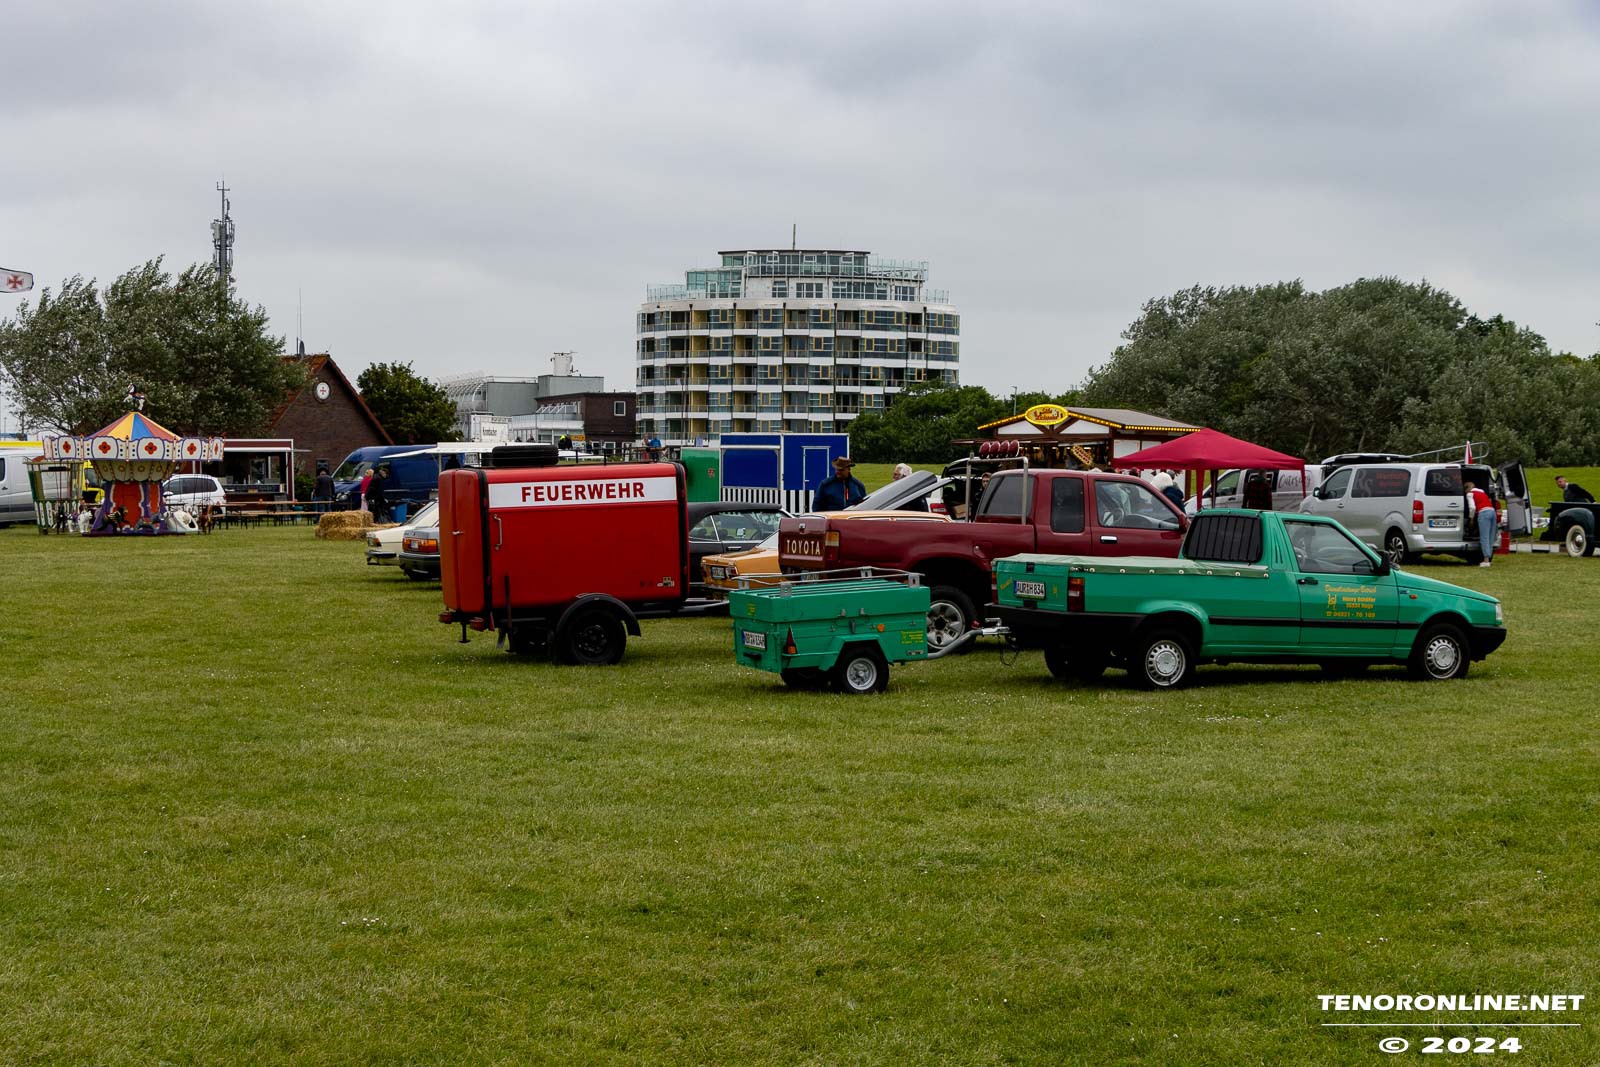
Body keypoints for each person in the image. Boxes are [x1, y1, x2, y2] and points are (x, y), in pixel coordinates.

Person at [1463, 478, 1496, 568]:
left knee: (1484, 537)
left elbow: (1472, 507)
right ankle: (1489, 558)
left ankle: (1486, 560)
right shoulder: (1482, 492)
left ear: (1467, 489)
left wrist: (1471, 519)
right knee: (1491, 537)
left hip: (1483, 513)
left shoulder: (1470, 494)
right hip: (1492, 512)